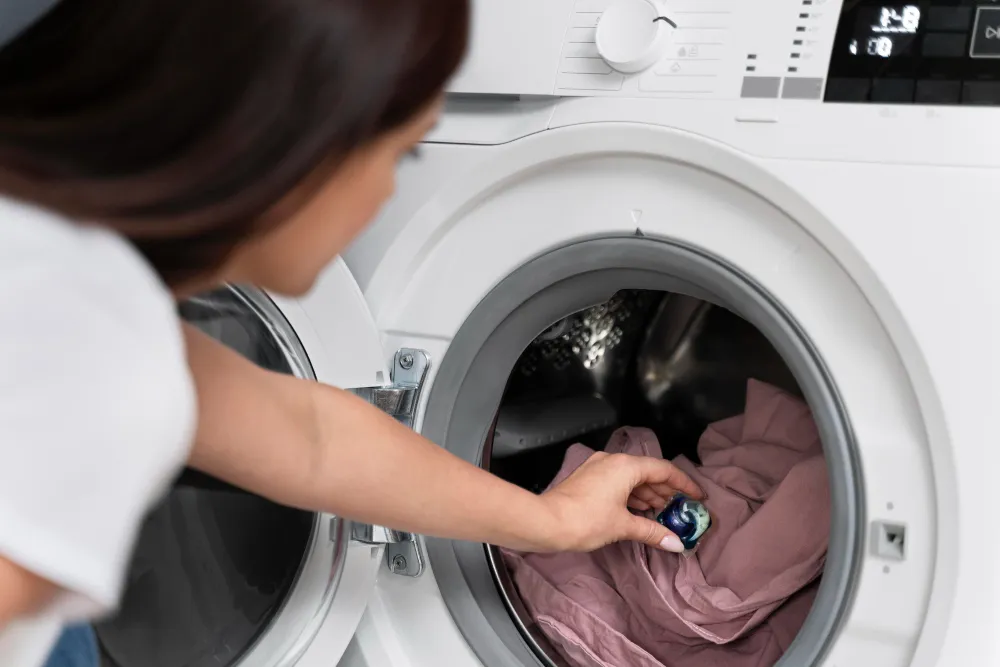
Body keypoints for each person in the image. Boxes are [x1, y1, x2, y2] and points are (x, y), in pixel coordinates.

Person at [0, 1, 705, 665]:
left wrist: (552, 521)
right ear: (284, 150)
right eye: (400, 155)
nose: (387, 197)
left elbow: (309, 434)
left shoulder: (61, 263)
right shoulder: (94, 351)